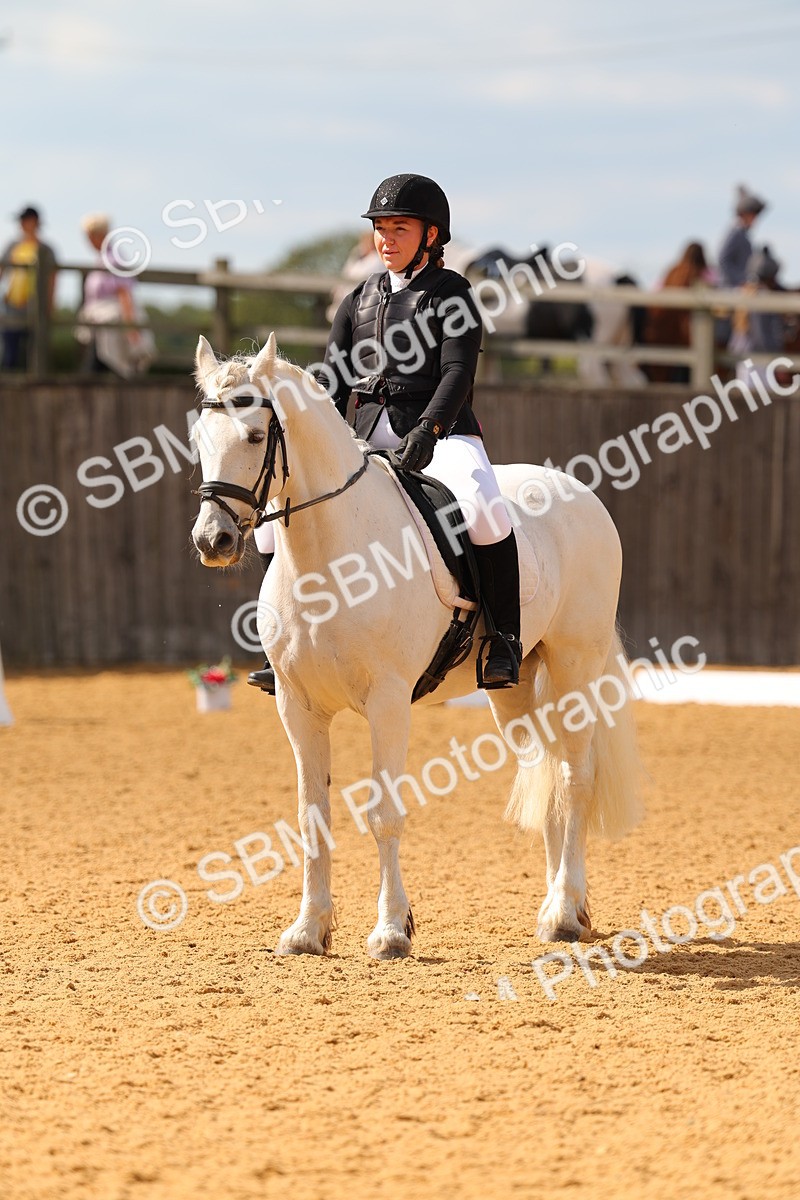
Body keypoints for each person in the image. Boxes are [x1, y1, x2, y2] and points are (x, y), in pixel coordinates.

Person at [248, 173, 522, 695]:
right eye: (380, 228)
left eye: (400, 228)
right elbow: (334, 381)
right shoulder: (356, 299)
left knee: (485, 508)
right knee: (269, 522)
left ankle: (503, 639)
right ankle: (280, 640)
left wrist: (429, 428)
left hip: (441, 434)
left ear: (431, 235)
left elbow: (457, 373)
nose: (386, 239)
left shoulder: (452, 293)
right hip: (366, 435)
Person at [74, 213, 154, 377]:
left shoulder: (113, 259)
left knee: (100, 366)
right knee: (98, 366)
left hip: (111, 323)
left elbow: (124, 293)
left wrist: (130, 327)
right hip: (101, 324)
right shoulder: (105, 258)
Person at [643, 241, 709, 383]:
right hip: (686, 335)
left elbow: (657, 291)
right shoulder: (701, 274)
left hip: (661, 333)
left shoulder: (673, 271)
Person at [0, 205, 57, 370]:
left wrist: (49, 306)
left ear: (34, 222)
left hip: (35, 307)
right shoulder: (12, 245)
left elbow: (52, 280)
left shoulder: (46, 249)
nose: (21, 224)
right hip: (11, 306)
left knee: (35, 355)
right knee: (9, 354)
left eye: (24, 220)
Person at [730, 245, 788, 386]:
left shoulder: (745, 292)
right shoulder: (761, 296)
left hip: (744, 354)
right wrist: (776, 357)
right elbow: (762, 335)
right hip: (759, 358)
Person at [718, 185, 767, 289]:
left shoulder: (742, 234)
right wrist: (740, 281)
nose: (755, 220)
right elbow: (723, 259)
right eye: (753, 215)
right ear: (744, 214)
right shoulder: (736, 233)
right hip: (731, 290)